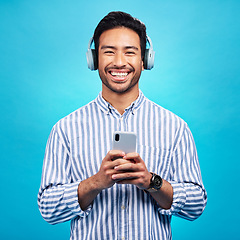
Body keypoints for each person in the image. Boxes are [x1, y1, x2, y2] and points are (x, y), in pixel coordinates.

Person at [38, 11, 207, 240]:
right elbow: (48, 209)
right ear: (94, 59)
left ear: (145, 60)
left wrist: (151, 182)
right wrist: (95, 183)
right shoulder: (65, 130)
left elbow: (196, 205)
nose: (119, 62)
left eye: (130, 52)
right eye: (109, 52)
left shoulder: (175, 127)